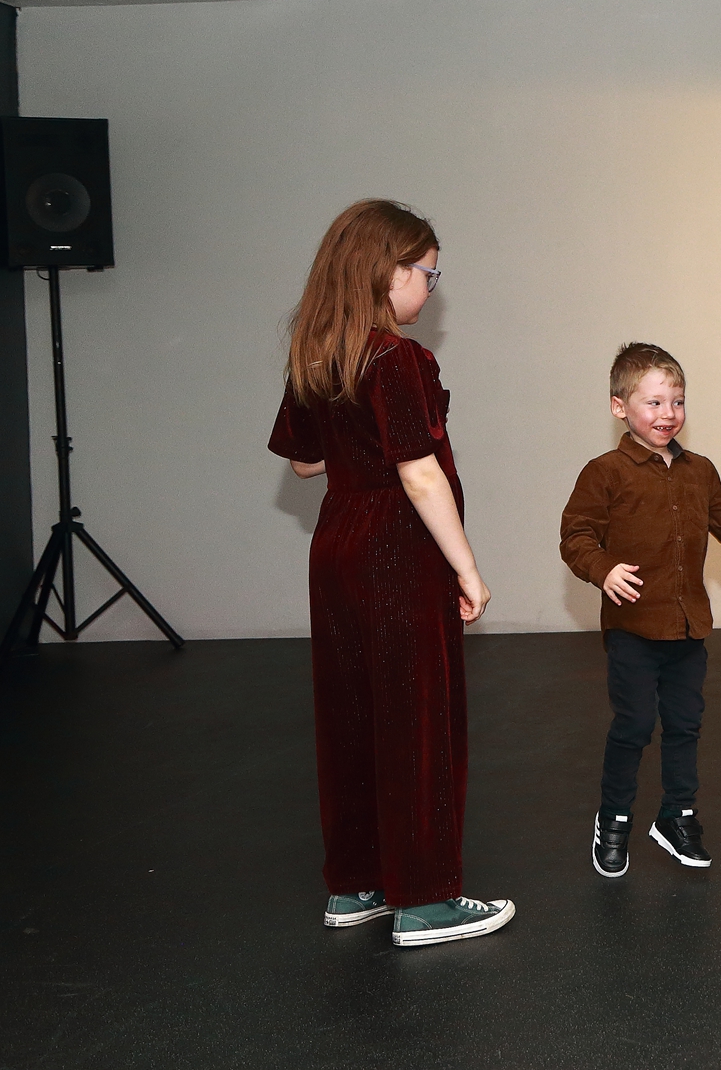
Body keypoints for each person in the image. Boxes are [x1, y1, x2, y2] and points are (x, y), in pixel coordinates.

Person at [268, 199, 514, 947]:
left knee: (351, 715)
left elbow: (305, 462)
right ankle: (426, 898)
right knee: (418, 719)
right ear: (389, 271)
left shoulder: (319, 353)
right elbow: (420, 474)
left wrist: (356, 448)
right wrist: (468, 568)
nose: (431, 290)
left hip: (337, 543)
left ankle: (358, 884)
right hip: (397, 549)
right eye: (427, 275)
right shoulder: (397, 357)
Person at [560, 343, 721, 878]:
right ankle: (614, 818)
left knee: (684, 725)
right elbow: (575, 536)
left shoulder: (700, 472)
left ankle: (677, 815)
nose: (668, 413)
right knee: (634, 725)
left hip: (688, 627)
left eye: (677, 401)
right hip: (632, 628)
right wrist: (603, 569)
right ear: (619, 407)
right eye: (653, 403)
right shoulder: (604, 473)